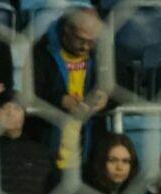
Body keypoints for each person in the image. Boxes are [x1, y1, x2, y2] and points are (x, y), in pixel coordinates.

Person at [31, 7, 108, 169]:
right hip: (50, 143)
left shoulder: (101, 52)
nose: (85, 47)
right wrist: (60, 100)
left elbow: (121, 84)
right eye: (81, 39)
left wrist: (106, 98)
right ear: (67, 29)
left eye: (91, 41)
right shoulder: (42, 51)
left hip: (88, 148)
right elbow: (32, 92)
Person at [0, 91, 57, 194]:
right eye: (5, 108)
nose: (10, 113)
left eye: (17, 108)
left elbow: (53, 187)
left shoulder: (41, 152)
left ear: (24, 115)